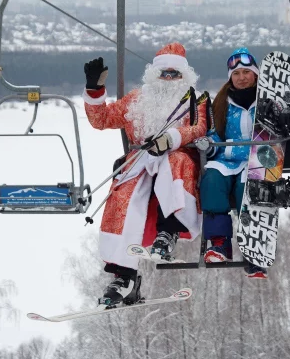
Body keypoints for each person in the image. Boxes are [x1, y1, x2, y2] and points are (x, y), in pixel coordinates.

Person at [82, 42, 207, 305]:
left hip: (176, 157)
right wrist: (94, 90)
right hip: (140, 160)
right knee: (124, 194)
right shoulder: (137, 100)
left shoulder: (195, 101)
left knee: (175, 165)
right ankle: (124, 276)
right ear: (154, 75)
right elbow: (101, 119)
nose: (169, 79)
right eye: (165, 73)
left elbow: (199, 128)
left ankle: (168, 231)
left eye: (175, 74)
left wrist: (171, 138)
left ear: (185, 76)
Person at [199, 47, 290, 279]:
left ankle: (254, 251)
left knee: (250, 189)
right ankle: (219, 242)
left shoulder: (271, 102)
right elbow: (213, 133)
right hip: (227, 161)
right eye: (237, 73)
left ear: (256, 74)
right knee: (211, 180)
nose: (242, 78)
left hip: (259, 161)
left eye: (246, 72)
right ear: (230, 77)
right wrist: (210, 145)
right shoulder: (221, 104)